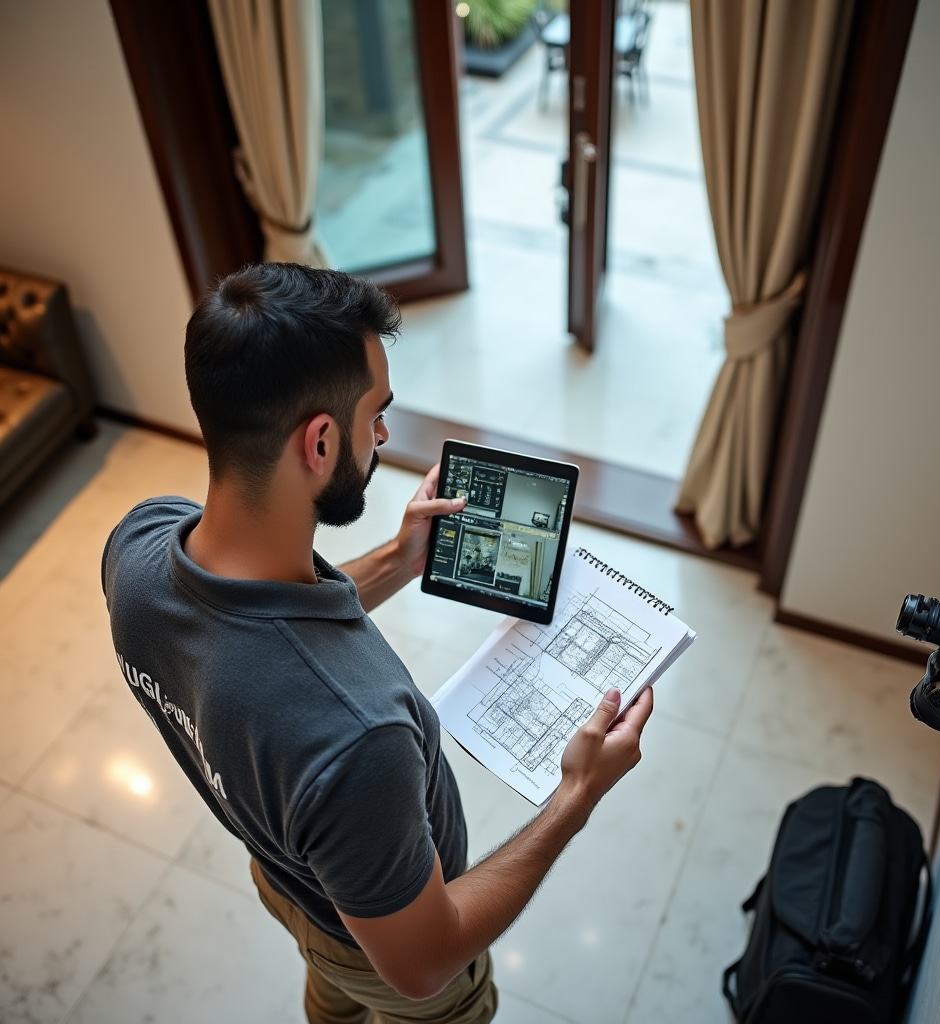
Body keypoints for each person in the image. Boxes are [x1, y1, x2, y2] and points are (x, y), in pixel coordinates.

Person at [101, 262, 654, 1024]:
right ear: (321, 441)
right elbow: (423, 962)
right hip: (380, 938)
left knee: (330, 996)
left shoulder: (136, 547)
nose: (384, 435)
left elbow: (257, 626)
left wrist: (400, 558)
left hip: (291, 883)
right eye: (376, 415)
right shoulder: (358, 740)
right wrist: (577, 794)